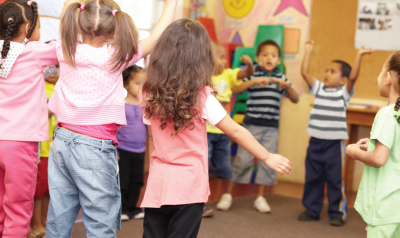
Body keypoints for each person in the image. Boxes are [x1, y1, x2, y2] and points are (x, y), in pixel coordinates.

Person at [140, 19, 292, 238]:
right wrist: (266, 156)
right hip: (189, 188)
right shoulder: (201, 96)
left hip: (159, 182)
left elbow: (152, 137)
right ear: (202, 59)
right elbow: (236, 131)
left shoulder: (148, 92)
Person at [46, 0, 177, 237]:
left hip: (61, 143)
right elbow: (156, 37)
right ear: (113, 29)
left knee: (58, 218)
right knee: (100, 223)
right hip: (94, 148)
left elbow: (67, 10)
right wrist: (170, 4)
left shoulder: (64, 48)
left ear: (78, 22)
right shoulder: (116, 56)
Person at [217, 40, 299, 213]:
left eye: (274, 55)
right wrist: (254, 82)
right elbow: (236, 89)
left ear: (278, 61)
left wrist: (288, 87)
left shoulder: (280, 78)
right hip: (251, 126)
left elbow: (295, 98)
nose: (269, 57)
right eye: (265, 54)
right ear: (258, 58)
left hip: (271, 129)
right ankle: (228, 195)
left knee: (267, 163)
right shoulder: (253, 74)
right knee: (242, 160)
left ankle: (260, 198)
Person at [298, 40, 372, 226]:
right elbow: (304, 73)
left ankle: (337, 212)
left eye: (332, 71)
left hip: (334, 144)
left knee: (334, 179)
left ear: (343, 80)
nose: (326, 74)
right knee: (313, 177)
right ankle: (311, 209)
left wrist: (359, 55)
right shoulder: (319, 88)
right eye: (326, 70)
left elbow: (354, 76)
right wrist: (308, 51)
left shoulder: (344, 93)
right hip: (315, 141)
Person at [0, 0, 58, 237]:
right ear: (25, 29)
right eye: (39, 27)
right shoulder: (33, 51)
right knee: (19, 208)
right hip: (20, 143)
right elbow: (68, 48)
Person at [346, 52, 400, 238]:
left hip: (386, 205)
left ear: (388, 77)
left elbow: (379, 158)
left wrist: (354, 152)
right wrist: (373, 142)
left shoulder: (386, 114)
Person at [203, 42, 256, 218]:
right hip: (206, 132)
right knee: (203, 167)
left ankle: (201, 182)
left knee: (224, 169)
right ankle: (201, 202)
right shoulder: (203, 77)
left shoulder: (228, 74)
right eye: (221, 57)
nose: (225, 61)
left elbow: (248, 73)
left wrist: (249, 63)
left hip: (223, 133)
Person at [29, 65, 60, 238]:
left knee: (51, 189)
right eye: (48, 68)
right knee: (38, 191)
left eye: (56, 68)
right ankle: (36, 225)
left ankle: (46, 222)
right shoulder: (38, 87)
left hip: (57, 149)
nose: (53, 72)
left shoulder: (60, 87)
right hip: (42, 149)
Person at [117, 65, 147, 221]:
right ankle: (122, 209)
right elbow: (113, 130)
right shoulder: (121, 105)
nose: (141, 87)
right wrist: (115, 151)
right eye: (137, 83)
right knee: (123, 181)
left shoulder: (145, 106)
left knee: (137, 181)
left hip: (140, 150)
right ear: (126, 84)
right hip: (123, 150)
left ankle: (133, 208)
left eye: (144, 83)